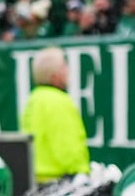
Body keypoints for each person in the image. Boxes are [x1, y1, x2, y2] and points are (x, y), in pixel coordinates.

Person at [20, 46, 91, 184]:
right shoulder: (59, 101)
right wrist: (80, 171)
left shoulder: (33, 99)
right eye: (64, 66)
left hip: (36, 178)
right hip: (60, 180)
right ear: (54, 74)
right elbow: (66, 143)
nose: (68, 71)